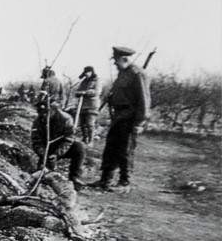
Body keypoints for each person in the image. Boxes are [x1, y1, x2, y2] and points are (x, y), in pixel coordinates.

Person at [90, 46, 151, 192]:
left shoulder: (138, 74)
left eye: (116, 60)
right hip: (118, 116)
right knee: (111, 148)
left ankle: (124, 183)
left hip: (130, 117)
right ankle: (106, 180)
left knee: (125, 150)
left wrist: (139, 122)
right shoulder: (123, 73)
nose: (114, 63)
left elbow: (144, 100)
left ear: (124, 59)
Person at [31, 92, 86, 189]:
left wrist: (57, 154)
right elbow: (36, 141)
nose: (43, 115)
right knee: (41, 175)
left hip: (61, 147)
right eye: (40, 112)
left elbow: (69, 139)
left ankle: (74, 178)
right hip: (46, 150)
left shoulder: (66, 119)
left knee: (79, 147)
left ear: (53, 110)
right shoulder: (37, 122)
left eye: (46, 112)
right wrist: (44, 154)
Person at [72, 66, 101, 144]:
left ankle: (91, 141)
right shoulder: (84, 81)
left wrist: (85, 92)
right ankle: (85, 139)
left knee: (90, 124)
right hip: (82, 105)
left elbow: (97, 92)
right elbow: (78, 90)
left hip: (92, 105)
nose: (86, 74)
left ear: (91, 72)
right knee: (82, 124)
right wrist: (78, 93)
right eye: (85, 73)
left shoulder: (97, 80)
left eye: (87, 72)